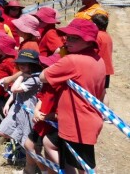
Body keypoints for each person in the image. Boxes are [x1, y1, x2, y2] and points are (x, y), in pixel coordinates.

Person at [39, 19, 106, 173]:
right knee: (51, 144)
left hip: (77, 123)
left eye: (74, 38)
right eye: (67, 37)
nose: (67, 41)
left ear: (89, 42)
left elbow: (43, 76)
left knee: (85, 166)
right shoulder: (98, 59)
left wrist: (62, 57)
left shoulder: (71, 60)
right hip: (84, 118)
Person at [0, 49, 43, 174]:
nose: (21, 65)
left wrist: (20, 75)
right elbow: (14, 92)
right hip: (19, 109)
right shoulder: (26, 75)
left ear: (32, 65)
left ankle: (38, 168)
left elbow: (15, 88)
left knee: (30, 145)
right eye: (20, 63)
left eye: (25, 63)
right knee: (4, 131)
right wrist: (8, 103)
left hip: (29, 113)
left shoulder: (35, 79)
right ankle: (26, 160)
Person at [92, 14, 114, 108]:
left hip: (98, 67)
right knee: (103, 92)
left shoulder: (97, 36)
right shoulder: (107, 36)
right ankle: (106, 114)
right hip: (107, 68)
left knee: (95, 91)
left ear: (95, 24)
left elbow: (94, 51)